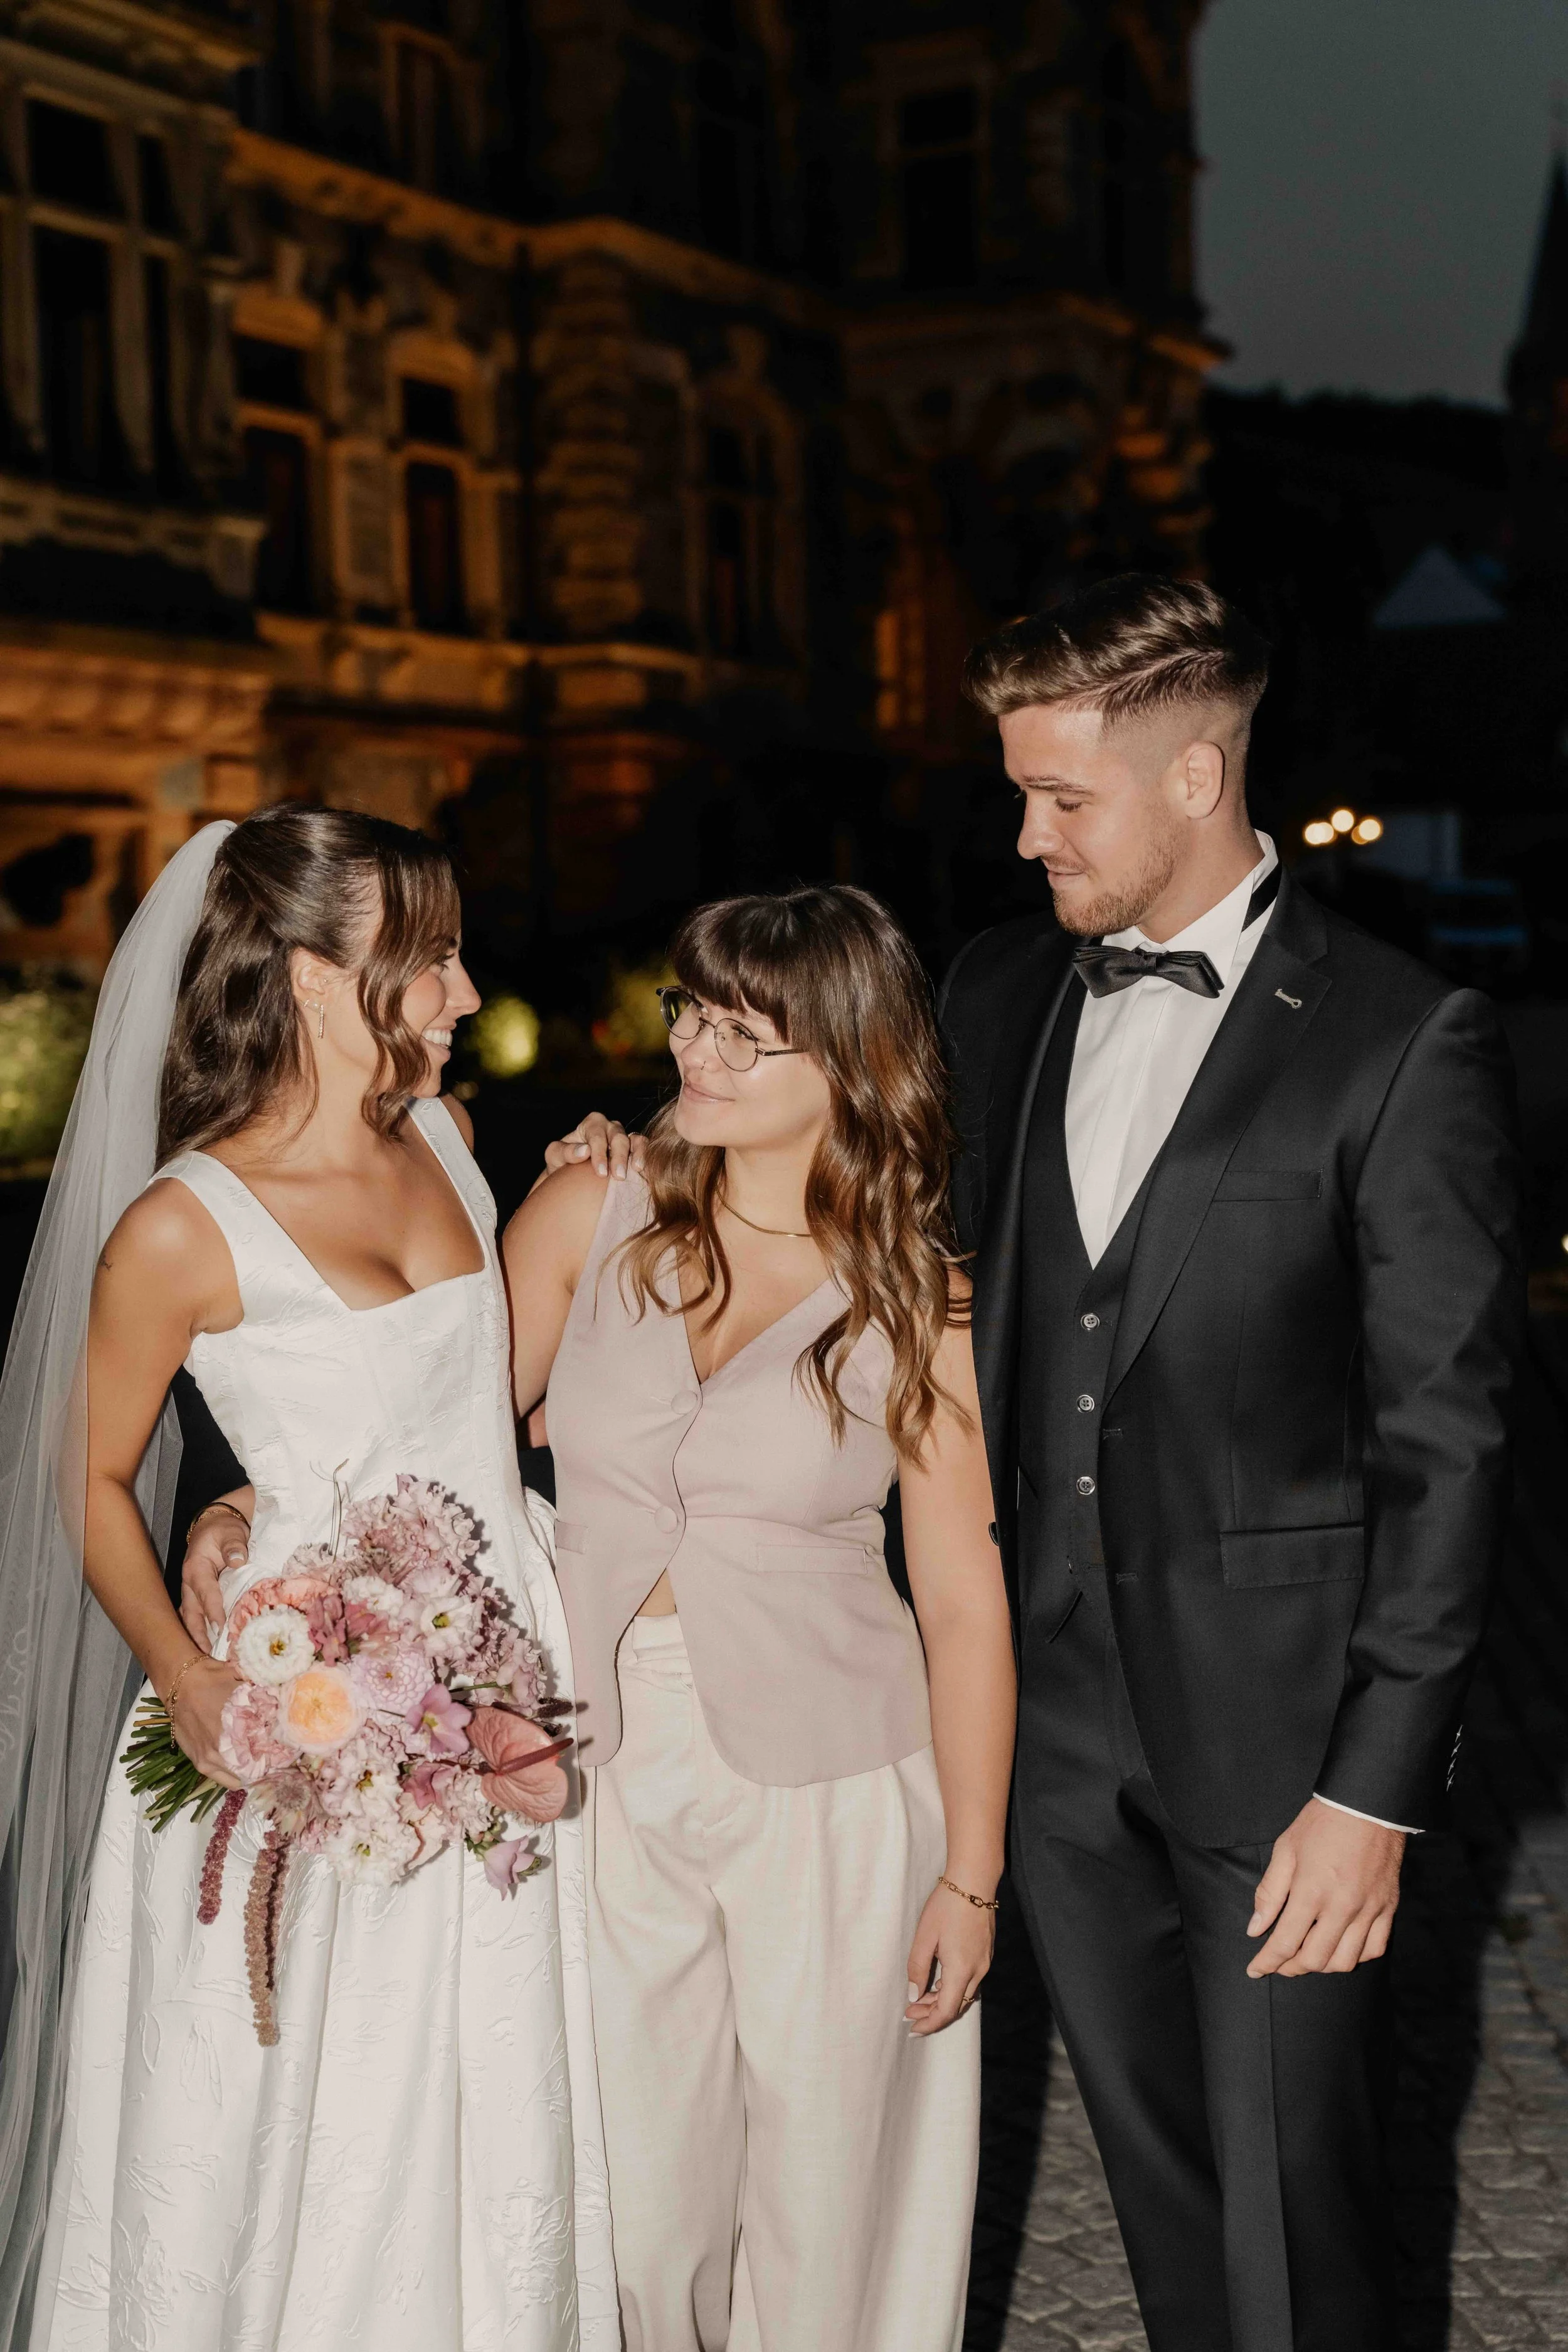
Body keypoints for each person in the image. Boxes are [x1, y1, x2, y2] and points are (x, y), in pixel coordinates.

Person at [553, 574, 1523, 2351]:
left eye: (1059, 798)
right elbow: (846, 1206)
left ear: (1193, 772)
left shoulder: (1401, 1041)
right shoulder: (995, 993)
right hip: (1040, 1736)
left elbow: (1447, 1449)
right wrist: (646, 1147)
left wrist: (1376, 1789)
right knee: (1158, 2180)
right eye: (1015, 791)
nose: (1023, 835)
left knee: (1300, 2204)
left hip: (1282, 1744)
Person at [9, 807, 615, 2352]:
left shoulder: (457, 1150)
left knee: (491, 2070)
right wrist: (191, 1674)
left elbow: (472, 1404)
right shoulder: (176, 1227)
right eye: (428, 963)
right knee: (302, 2098)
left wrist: (602, 1178)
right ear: (306, 974)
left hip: (502, 1676)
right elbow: (82, 1479)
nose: (467, 994)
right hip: (301, 1707)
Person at [499, 887, 1012, 2352]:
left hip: (837, 1774)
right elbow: (441, 1449)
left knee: (821, 2185)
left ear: (850, 1067)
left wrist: (966, 1880)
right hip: (591, 1766)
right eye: (692, 1013)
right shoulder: (583, 1206)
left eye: (745, 1032)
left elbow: (964, 1600)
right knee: (636, 2198)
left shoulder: (919, 1298)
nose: (697, 1051)